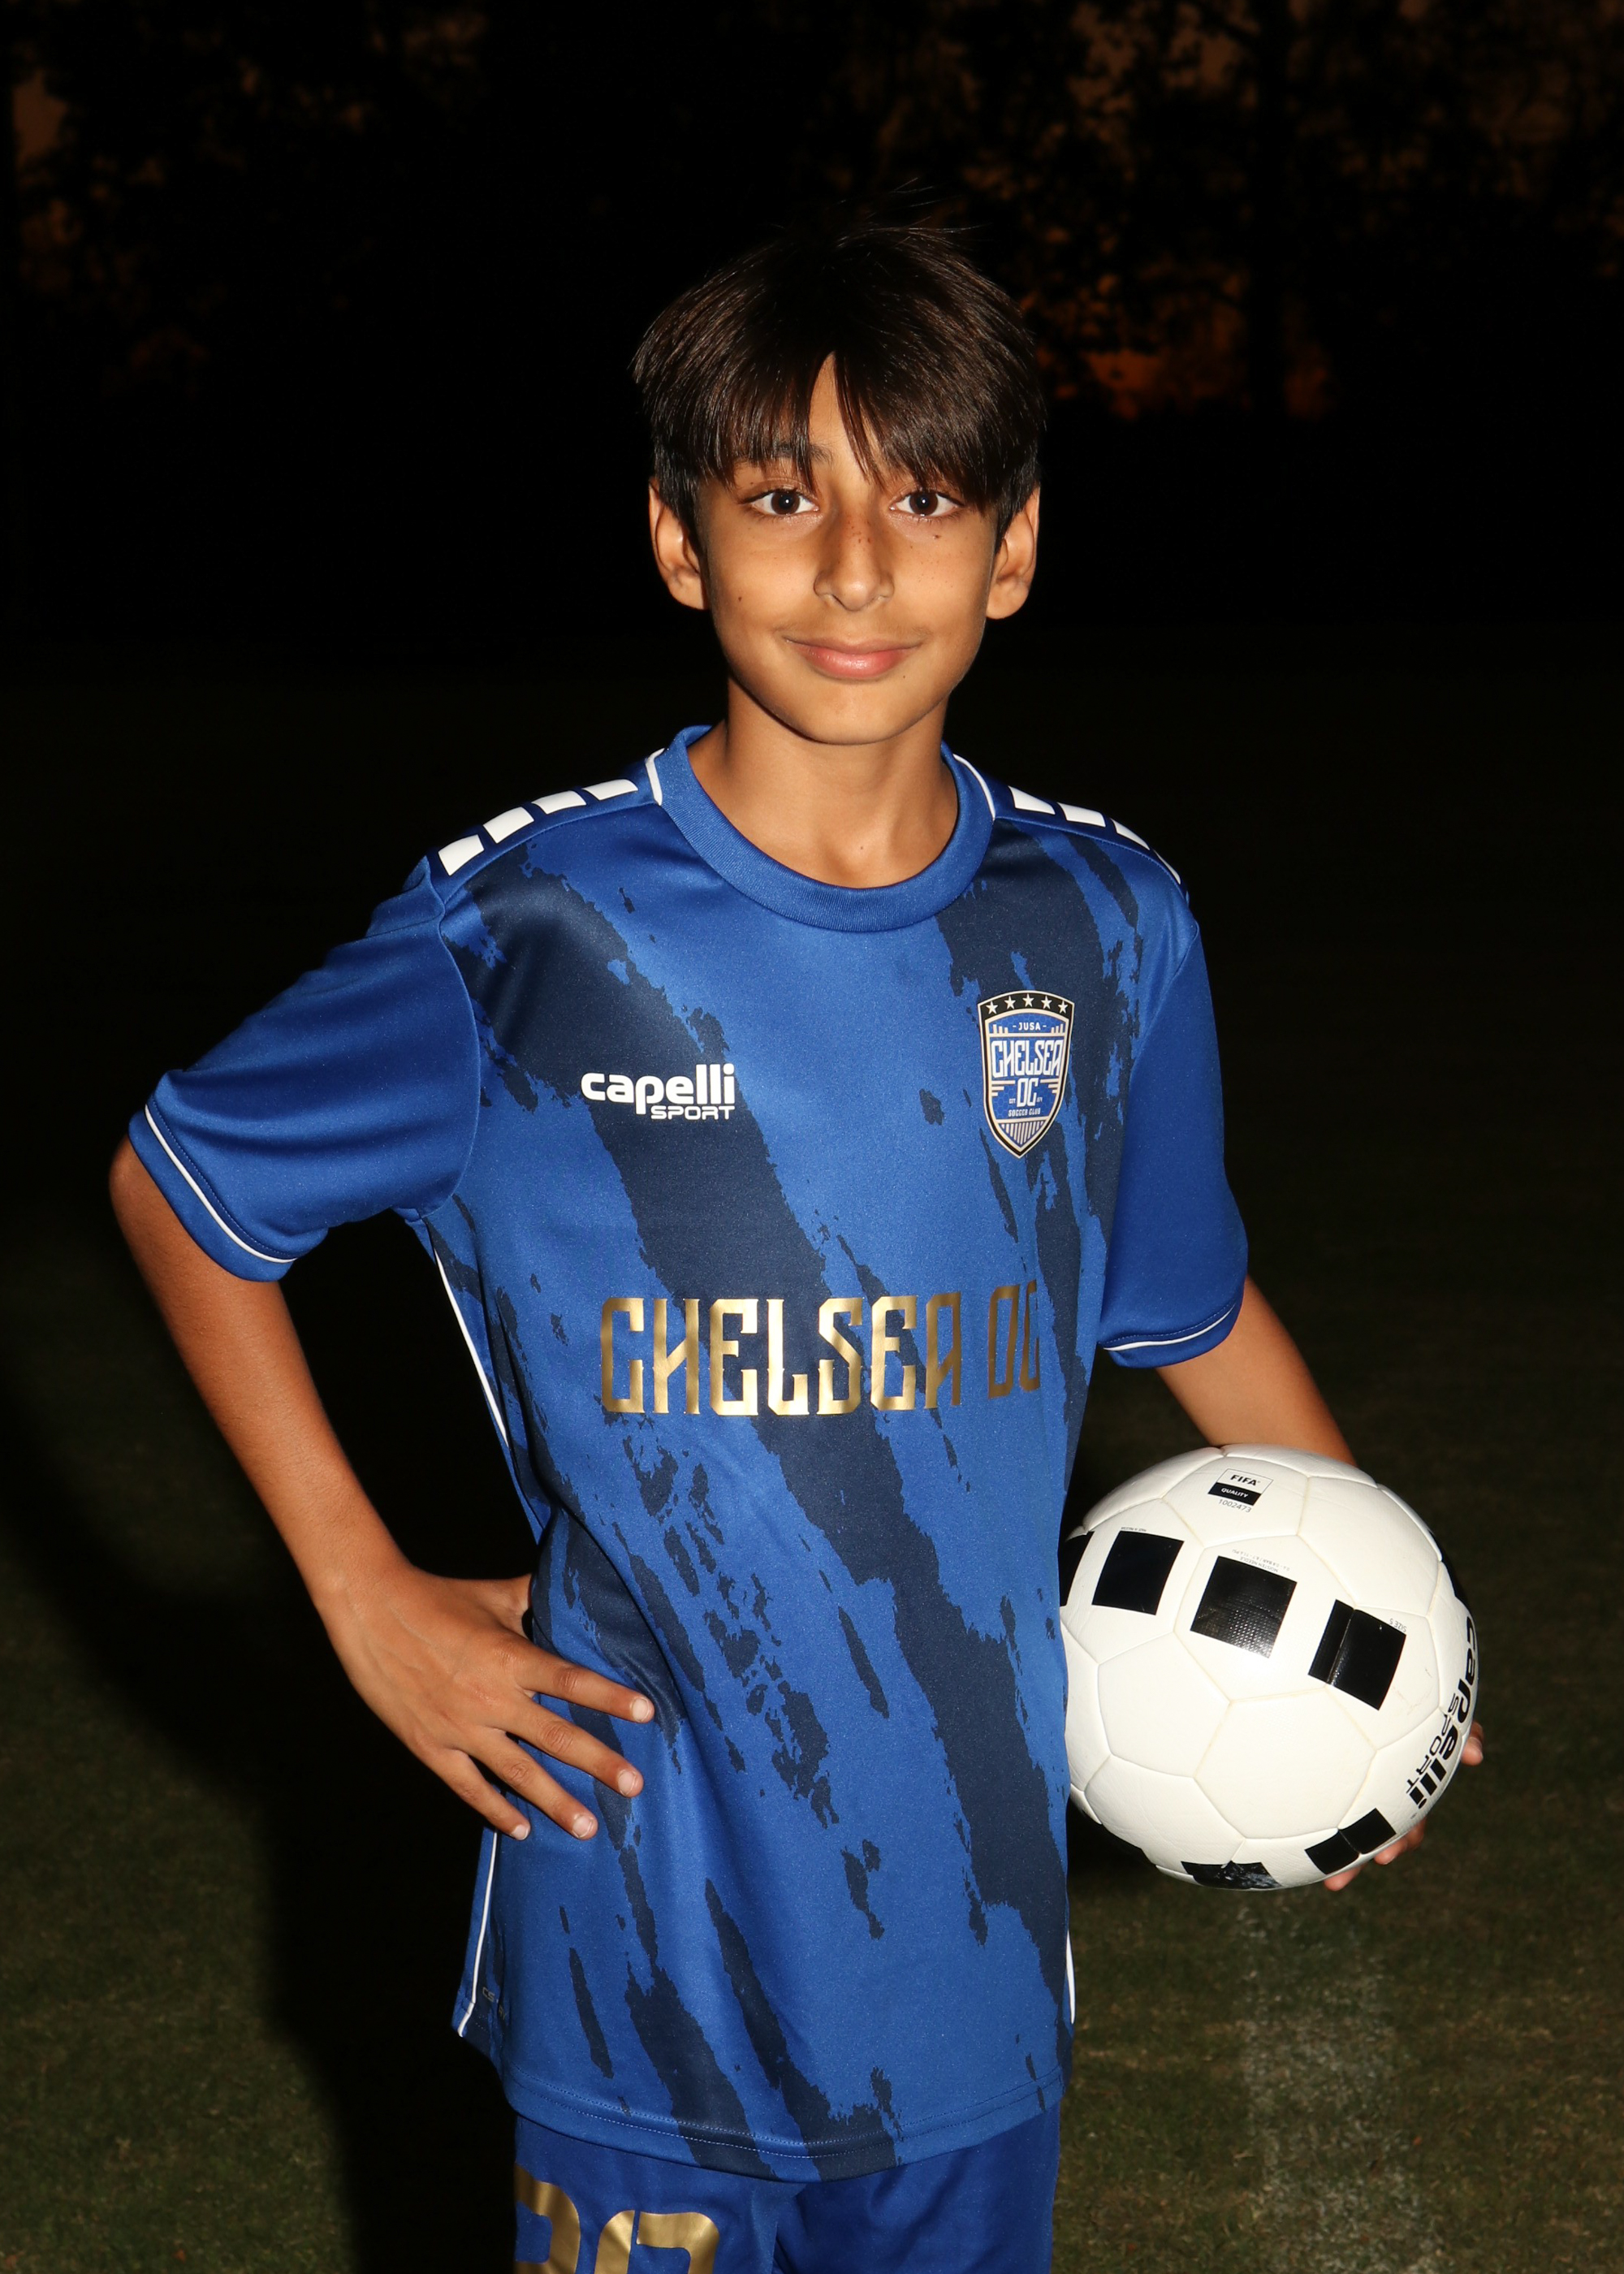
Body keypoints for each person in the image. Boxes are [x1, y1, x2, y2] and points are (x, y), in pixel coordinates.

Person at [111, 218, 1481, 2274]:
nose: (854, 569)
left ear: (1013, 547)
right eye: (779, 499)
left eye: (922, 501)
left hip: (973, 1960)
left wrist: (1375, 1660)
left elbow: (1194, 1311)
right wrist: (358, 1583)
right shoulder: (536, 933)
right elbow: (184, 1183)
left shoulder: (1104, 925)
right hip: (639, 1942)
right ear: (678, 540)